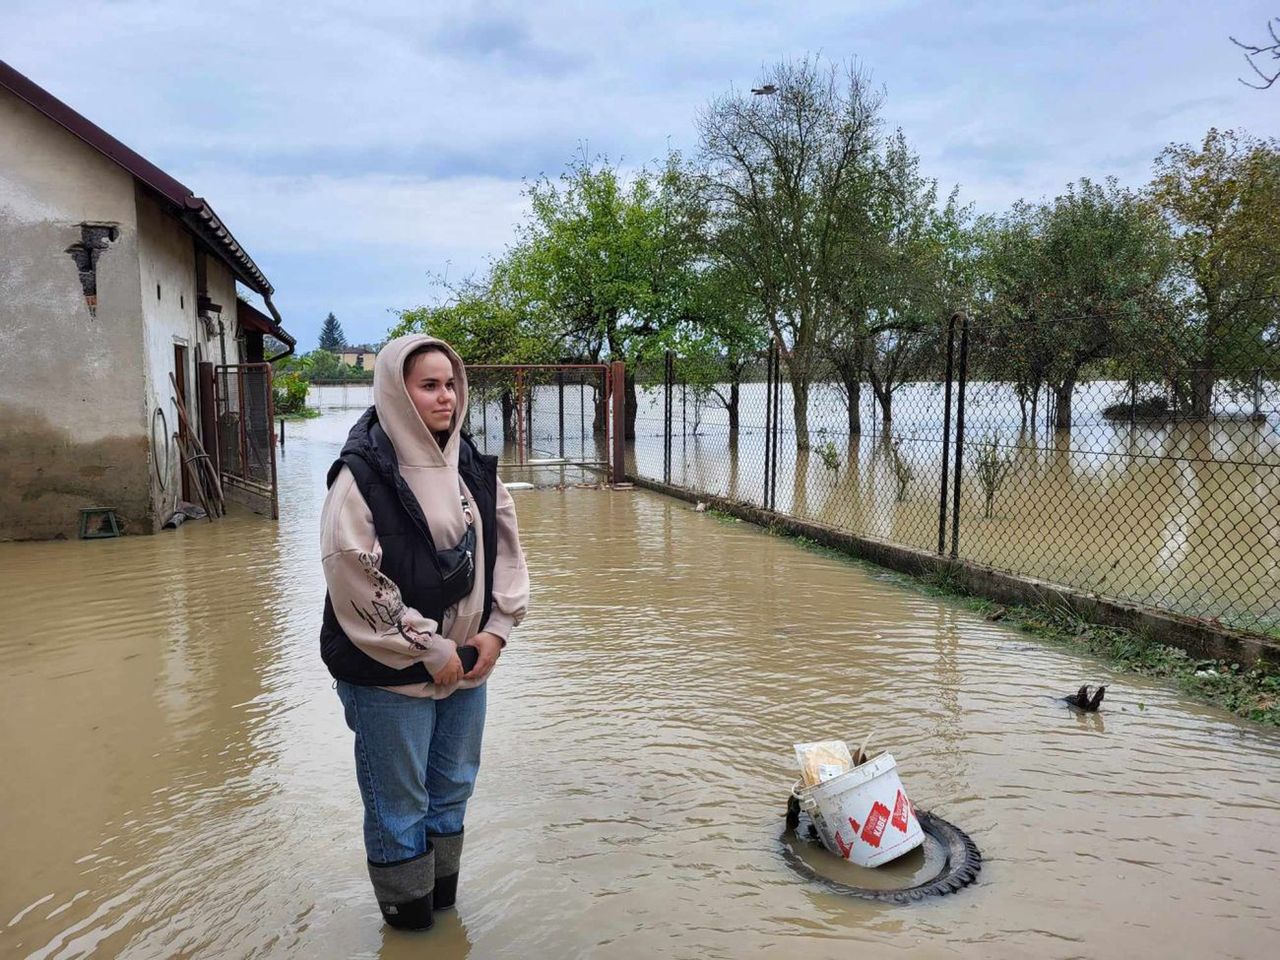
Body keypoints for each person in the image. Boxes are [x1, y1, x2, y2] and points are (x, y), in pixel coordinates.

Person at [319, 335, 529, 931]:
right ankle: (409, 928)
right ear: (397, 391)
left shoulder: (470, 466)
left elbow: (508, 555)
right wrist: (431, 648)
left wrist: (495, 631)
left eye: (451, 383)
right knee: (399, 807)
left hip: (468, 666)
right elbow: (355, 577)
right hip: (389, 676)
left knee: (453, 788)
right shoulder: (361, 476)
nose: (446, 397)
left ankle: (443, 919)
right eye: (428, 385)